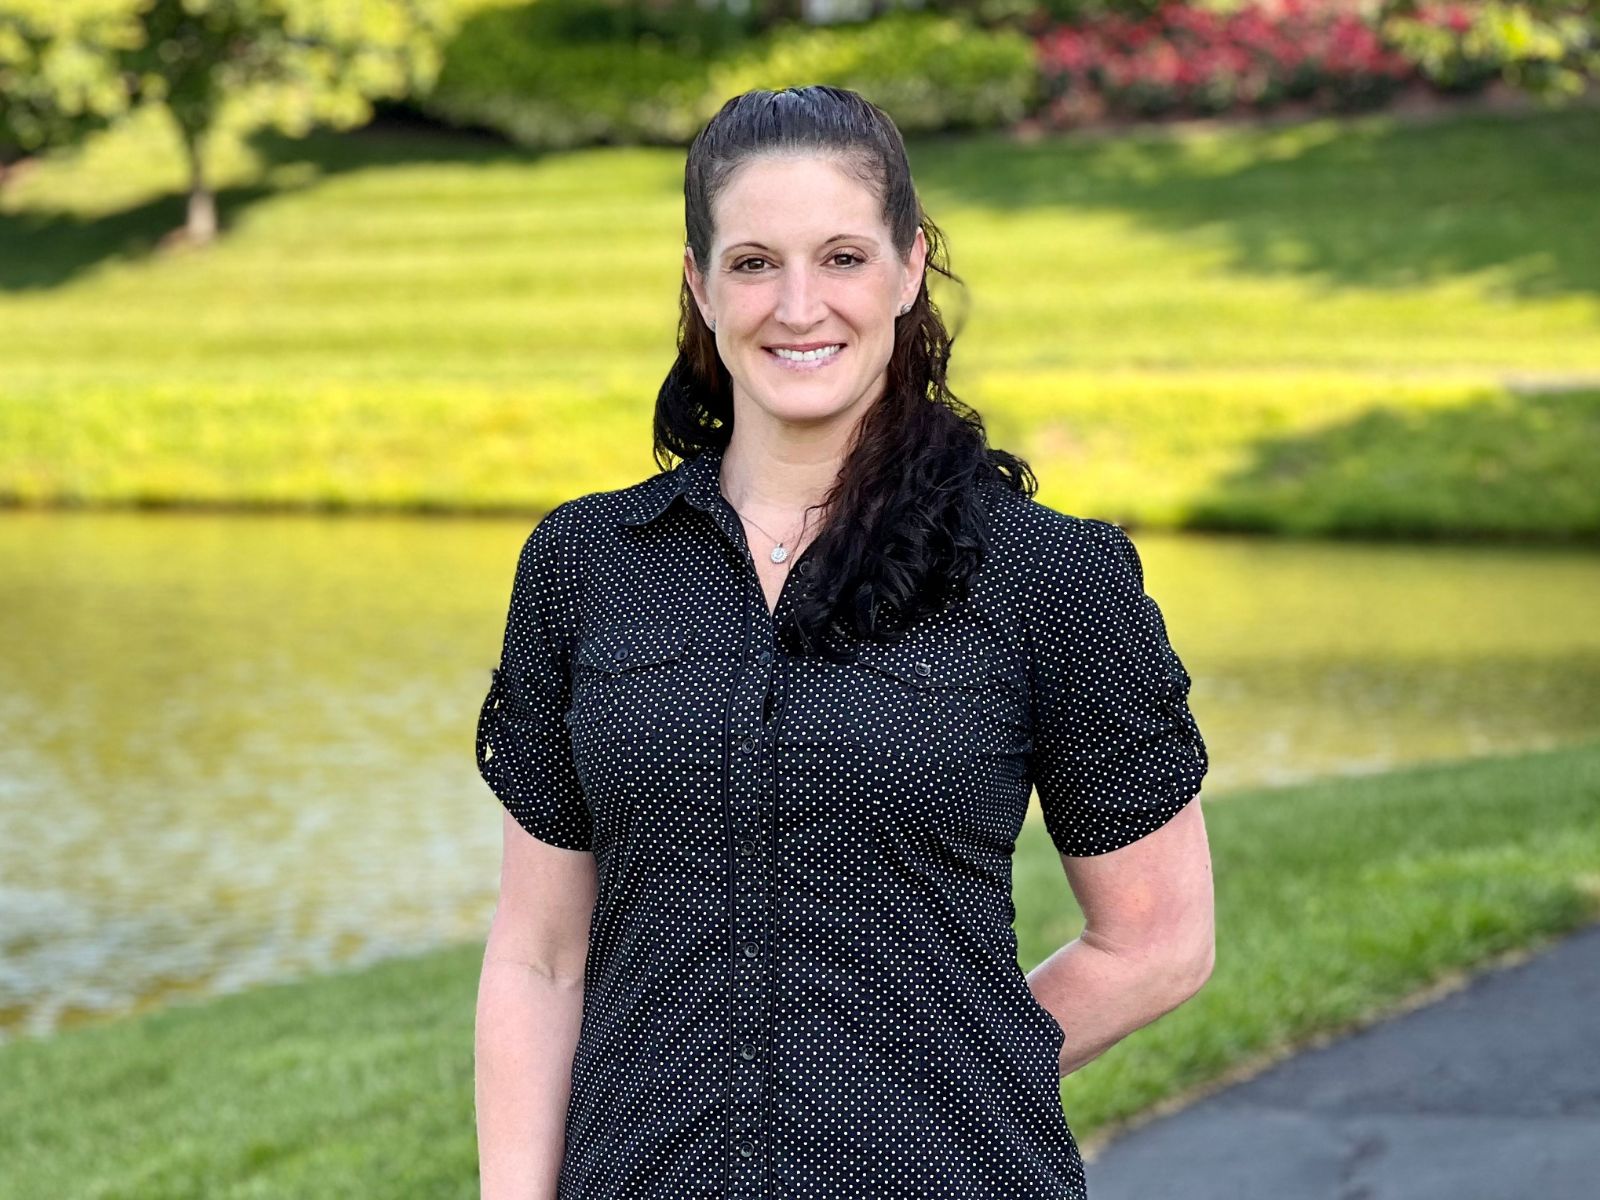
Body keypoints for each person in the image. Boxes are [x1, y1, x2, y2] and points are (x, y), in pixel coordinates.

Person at [473, 84, 1214, 1200]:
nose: (799, 306)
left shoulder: (1046, 577)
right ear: (699, 285)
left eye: (843, 258)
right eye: (756, 263)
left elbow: (1158, 943)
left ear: (910, 268)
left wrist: (930, 1078)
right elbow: (539, 957)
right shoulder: (586, 564)